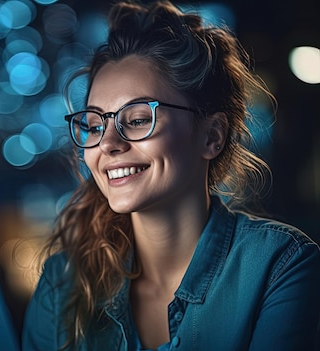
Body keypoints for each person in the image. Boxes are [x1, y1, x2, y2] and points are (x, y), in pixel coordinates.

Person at [21, 1, 320, 350]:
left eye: (136, 120)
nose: (108, 144)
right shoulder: (64, 284)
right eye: (93, 125)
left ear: (212, 136)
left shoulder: (280, 266)